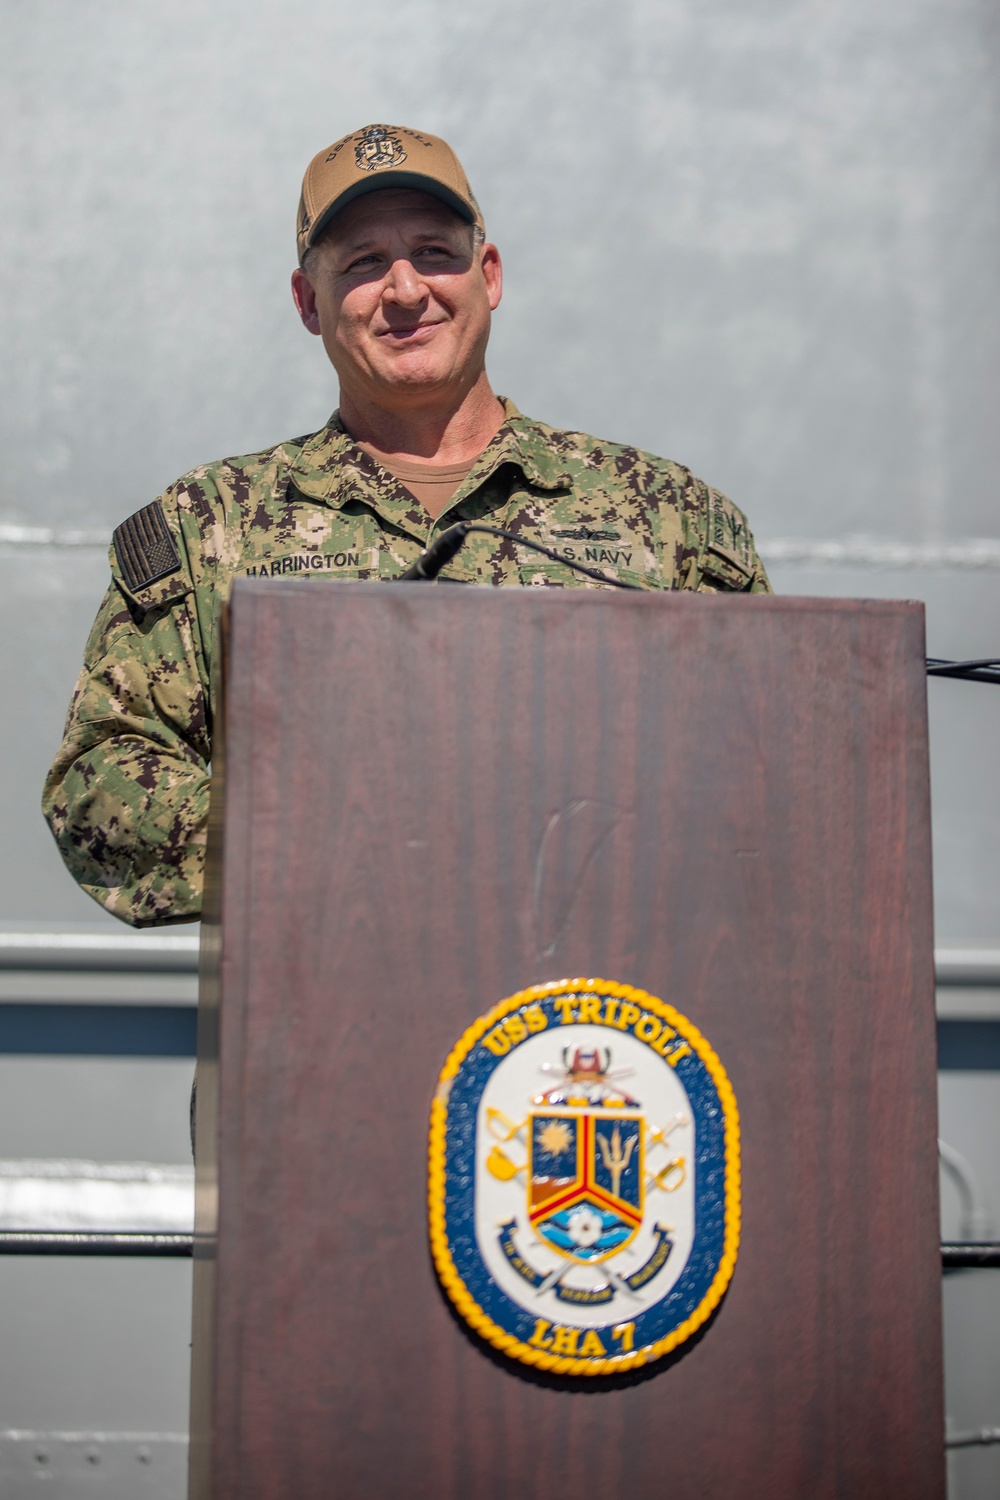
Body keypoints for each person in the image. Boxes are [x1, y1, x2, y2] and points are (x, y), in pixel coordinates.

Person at [43, 122, 772, 928]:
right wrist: (336, 844)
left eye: (433, 252)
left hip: (599, 1009)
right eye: (362, 264)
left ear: (487, 275)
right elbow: (99, 781)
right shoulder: (211, 525)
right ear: (306, 303)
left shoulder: (665, 516)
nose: (405, 290)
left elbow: (765, 766)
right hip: (323, 1007)